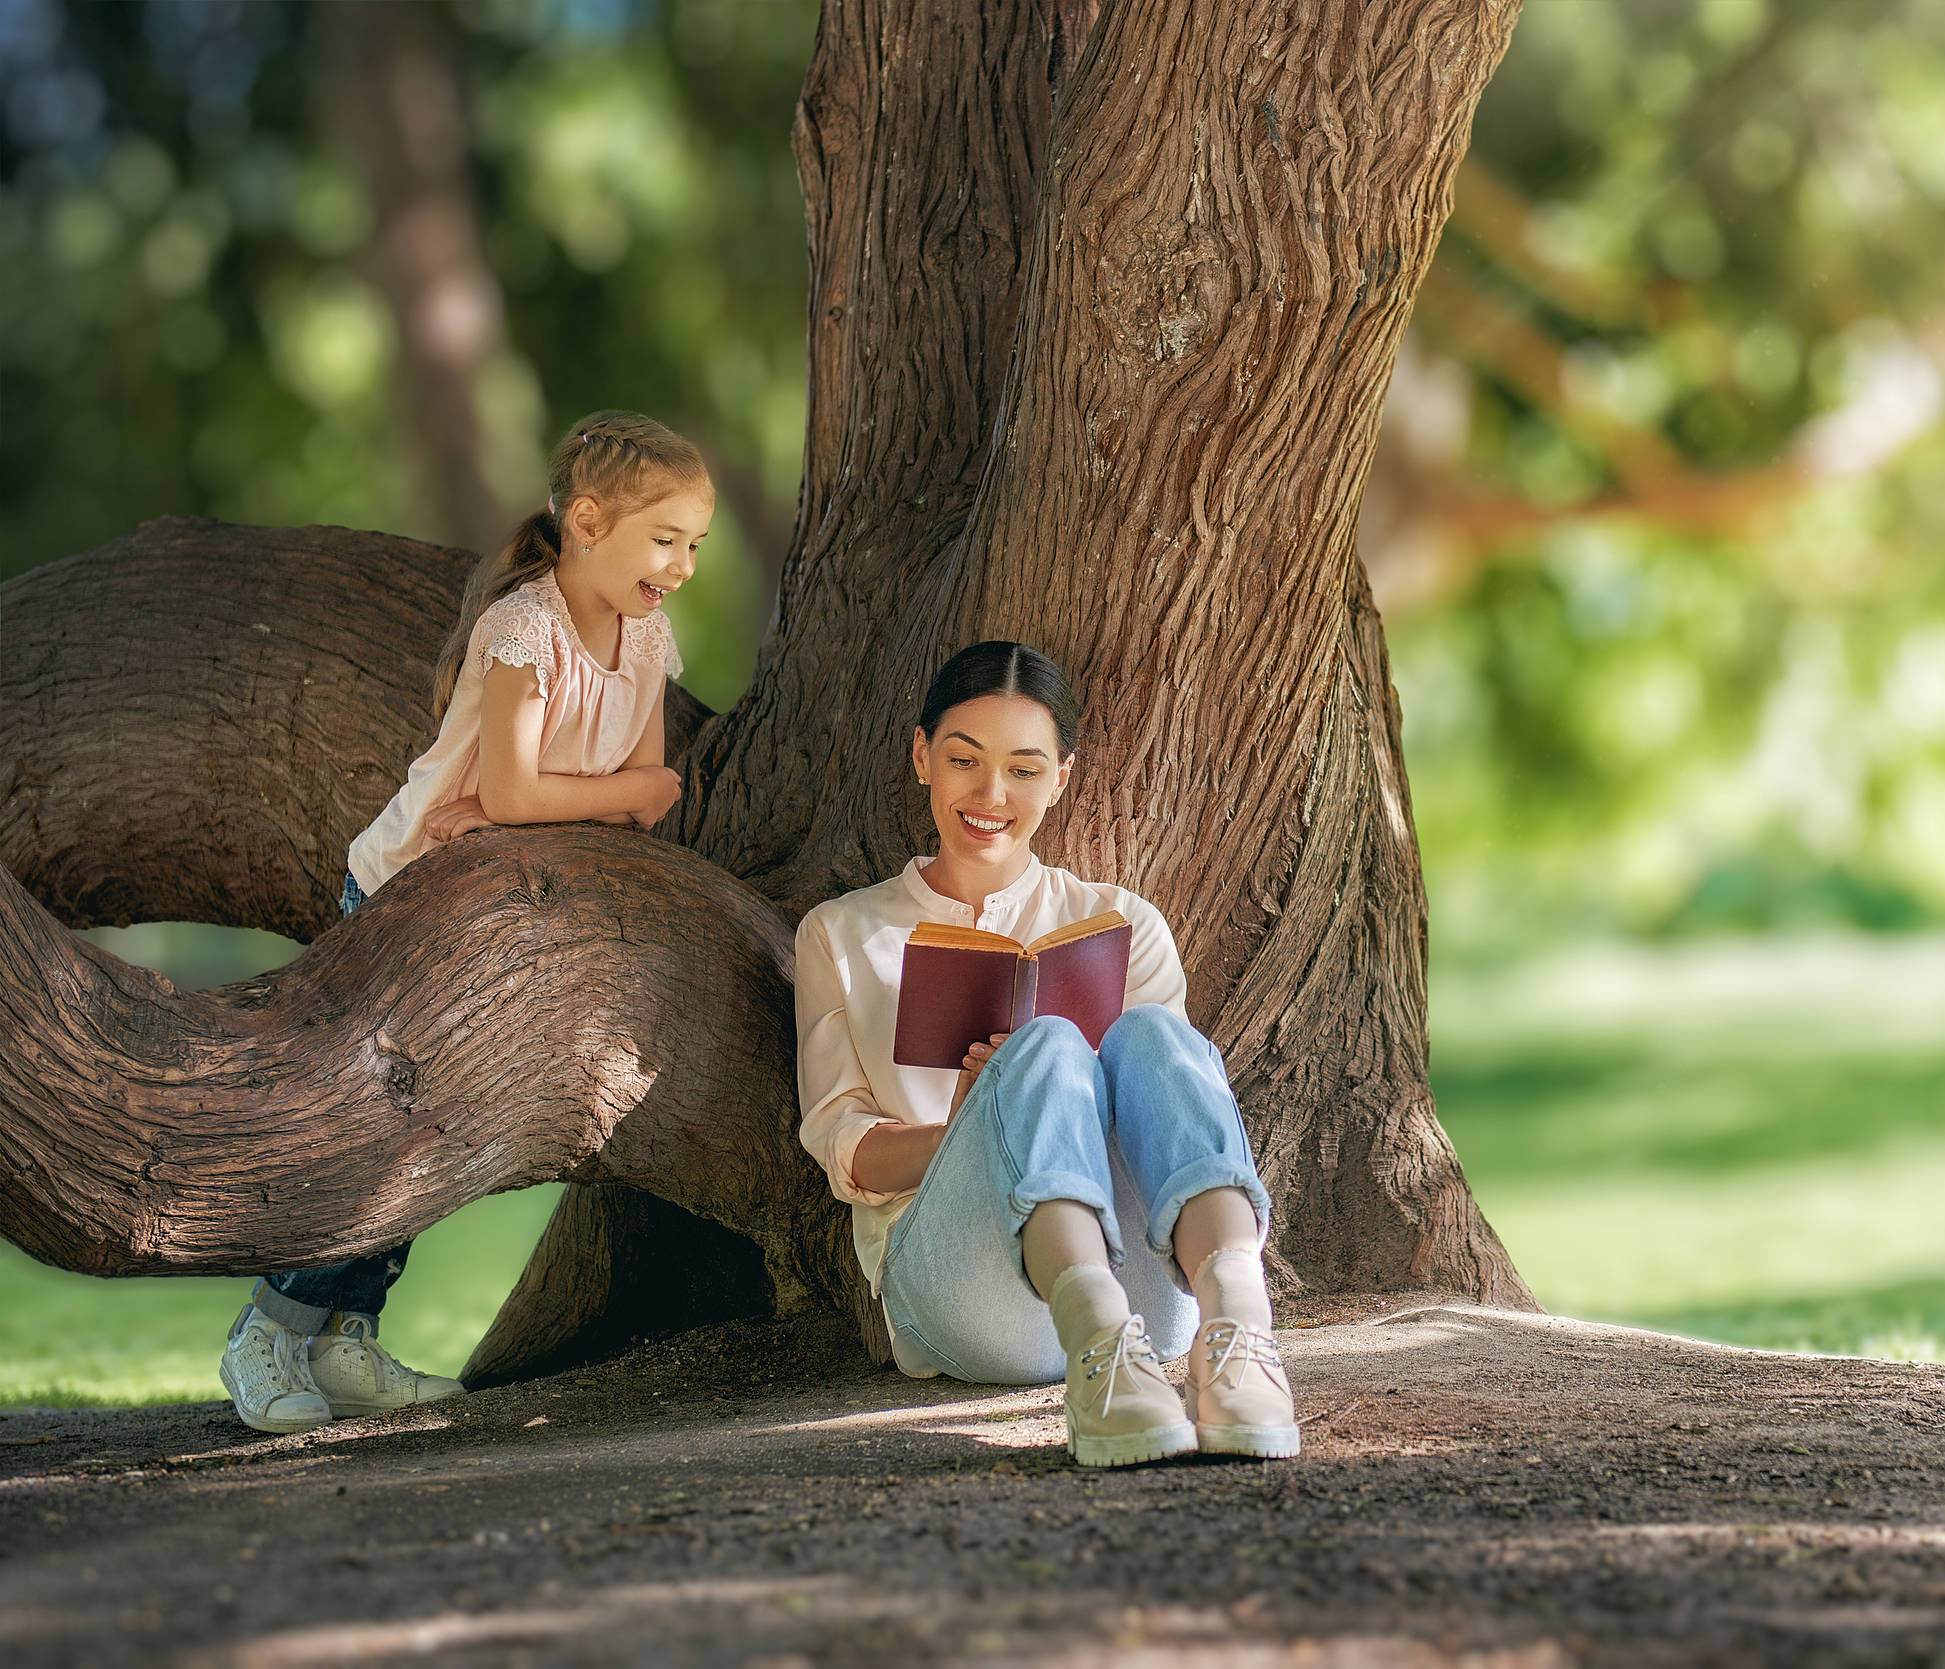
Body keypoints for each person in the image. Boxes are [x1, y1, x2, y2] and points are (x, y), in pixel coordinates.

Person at [218, 411, 711, 1434]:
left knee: (438, 1130)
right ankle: (267, 1327)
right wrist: (619, 789)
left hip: (499, 901)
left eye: (696, 543)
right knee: (385, 1114)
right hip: (413, 891)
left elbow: (622, 780)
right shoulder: (523, 632)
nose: (685, 564)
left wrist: (607, 796)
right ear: (586, 522)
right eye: (666, 538)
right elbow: (539, 788)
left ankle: (347, 1331)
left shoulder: (647, 630)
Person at [795, 641, 1298, 1467]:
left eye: (1024, 770)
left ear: (1061, 777)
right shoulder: (842, 934)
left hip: (1150, 1288)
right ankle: (1097, 1356)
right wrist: (964, 1127)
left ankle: (1239, 1331)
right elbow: (843, 1148)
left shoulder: (1120, 922)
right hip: (964, 1295)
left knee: (1154, 1037)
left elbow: (1172, 1117)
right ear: (923, 756)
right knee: (1048, 1046)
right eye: (964, 760)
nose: (991, 795)